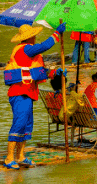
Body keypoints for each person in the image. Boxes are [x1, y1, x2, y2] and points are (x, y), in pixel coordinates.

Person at [5, 23, 65, 169]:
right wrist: (57, 33)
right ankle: (9, 158)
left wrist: (54, 73)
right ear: (30, 36)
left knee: (26, 125)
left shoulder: (28, 53)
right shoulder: (25, 49)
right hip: (19, 93)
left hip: (28, 93)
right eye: (34, 35)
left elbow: (36, 72)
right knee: (19, 124)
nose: (35, 36)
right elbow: (44, 46)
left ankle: (20, 156)